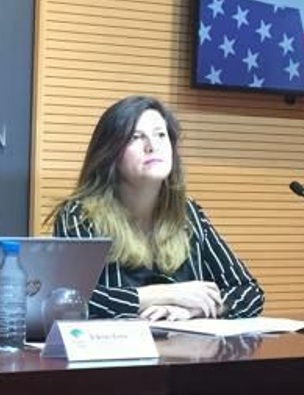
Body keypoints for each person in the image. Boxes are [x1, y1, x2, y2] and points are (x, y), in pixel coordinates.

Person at [50, 95, 263, 320]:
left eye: (161, 135)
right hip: (116, 351)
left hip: (190, 351)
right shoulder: (80, 215)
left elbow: (248, 292)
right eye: (135, 137)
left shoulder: (189, 213)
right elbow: (69, 300)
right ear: (110, 153)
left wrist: (196, 309)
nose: (152, 146)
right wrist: (167, 294)